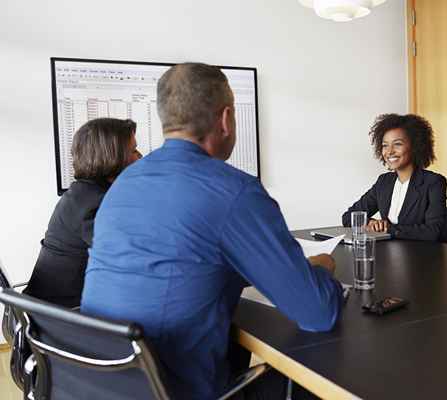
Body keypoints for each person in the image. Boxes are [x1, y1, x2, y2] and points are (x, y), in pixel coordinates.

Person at [80, 63, 343, 399]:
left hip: (99, 379)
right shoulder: (233, 192)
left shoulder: (123, 183)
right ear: (226, 119)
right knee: (315, 376)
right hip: (173, 389)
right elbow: (318, 313)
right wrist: (322, 269)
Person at [24, 118, 139, 308]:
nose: (140, 156)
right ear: (113, 156)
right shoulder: (93, 203)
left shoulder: (82, 193)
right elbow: (130, 258)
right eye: (133, 150)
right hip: (57, 320)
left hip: (38, 313)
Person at [342, 114, 447, 241]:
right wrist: (371, 223)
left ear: (415, 146)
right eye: (385, 145)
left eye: (397, 144)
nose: (389, 151)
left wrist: (388, 228)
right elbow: (348, 217)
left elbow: (433, 231)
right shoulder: (384, 181)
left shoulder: (433, 182)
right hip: (386, 253)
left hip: (418, 256)